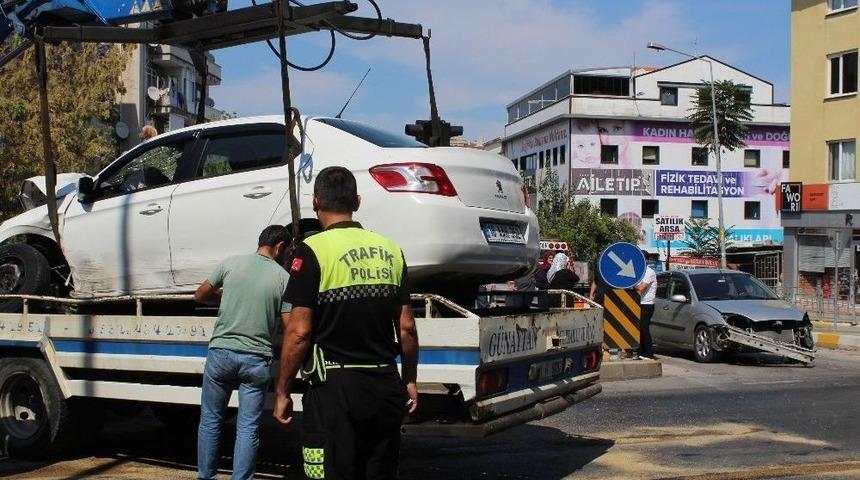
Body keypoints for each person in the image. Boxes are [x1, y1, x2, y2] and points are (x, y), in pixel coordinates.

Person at [273, 166, 419, 480]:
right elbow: (406, 328)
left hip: (334, 391)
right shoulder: (391, 250)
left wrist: (283, 390)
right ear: (357, 201)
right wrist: (409, 379)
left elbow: (299, 333)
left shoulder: (311, 251)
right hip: (385, 385)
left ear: (315, 202)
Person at [195, 225, 292, 480]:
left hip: (221, 354)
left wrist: (225, 298)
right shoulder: (283, 278)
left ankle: (206, 476)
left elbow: (200, 294)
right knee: (248, 427)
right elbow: (290, 326)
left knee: (210, 421)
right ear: (280, 247)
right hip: (256, 359)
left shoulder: (231, 263)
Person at [635, 252, 658, 359]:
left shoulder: (649, 272)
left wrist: (632, 284)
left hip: (647, 304)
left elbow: (641, 288)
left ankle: (649, 353)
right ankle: (640, 353)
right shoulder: (637, 272)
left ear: (646, 260)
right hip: (637, 303)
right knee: (638, 329)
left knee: (644, 328)